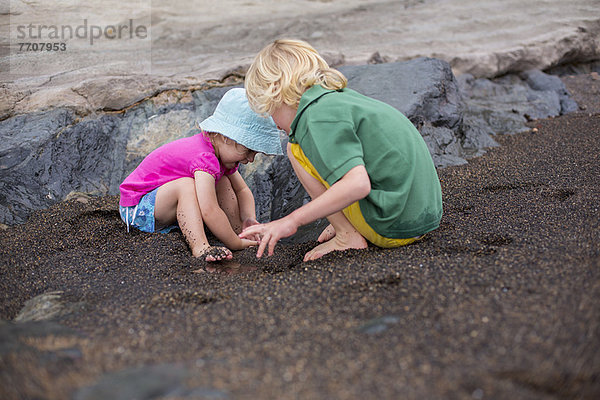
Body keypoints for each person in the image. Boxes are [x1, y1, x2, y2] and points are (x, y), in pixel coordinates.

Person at [240, 39, 443, 262]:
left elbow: (358, 184)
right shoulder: (339, 100)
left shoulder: (316, 117)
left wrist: (291, 220)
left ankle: (347, 236)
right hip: (422, 218)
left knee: (294, 148)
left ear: (277, 93)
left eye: (269, 109)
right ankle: (346, 225)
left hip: (394, 225)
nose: (273, 120)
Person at [119, 88, 283, 261]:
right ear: (227, 137)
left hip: (161, 206)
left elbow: (242, 190)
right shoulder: (204, 157)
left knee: (223, 182)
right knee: (186, 186)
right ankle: (201, 247)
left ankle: (240, 232)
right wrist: (233, 245)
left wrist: (249, 219)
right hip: (137, 209)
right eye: (248, 150)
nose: (250, 159)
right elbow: (209, 209)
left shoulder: (220, 155)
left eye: (254, 154)